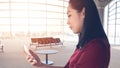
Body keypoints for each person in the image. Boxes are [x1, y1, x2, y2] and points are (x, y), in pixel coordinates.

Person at [25, 0, 110, 68]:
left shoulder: (95, 48)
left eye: (69, 15)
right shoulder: (85, 44)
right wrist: (41, 65)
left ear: (83, 12)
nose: (67, 22)